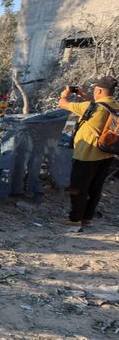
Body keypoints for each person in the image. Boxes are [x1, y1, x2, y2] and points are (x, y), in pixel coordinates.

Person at [57, 75, 119, 227]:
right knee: (95, 187)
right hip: (107, 153)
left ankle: (75, 219)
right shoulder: (115, 106)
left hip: (87, 153)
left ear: (98, 90)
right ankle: (87, 218)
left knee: (78, 186)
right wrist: (84, 95)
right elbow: (98, 105)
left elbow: (62, 104)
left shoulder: (89, 107)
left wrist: (65, 93)